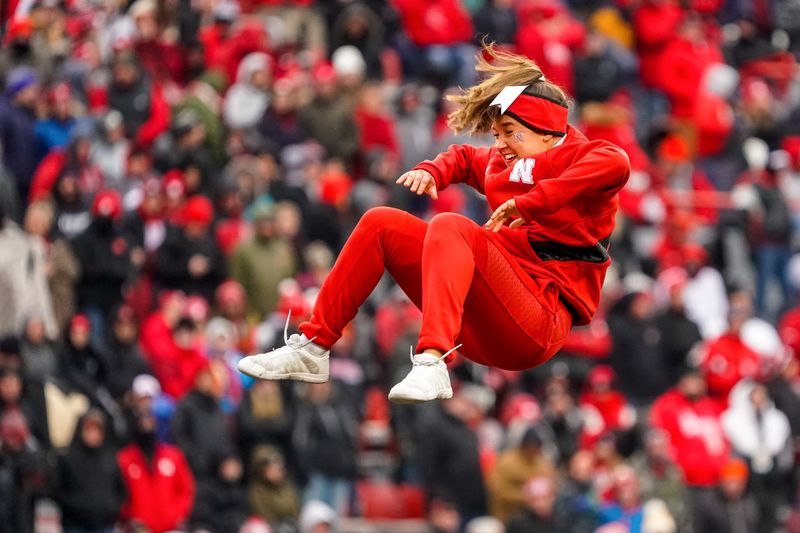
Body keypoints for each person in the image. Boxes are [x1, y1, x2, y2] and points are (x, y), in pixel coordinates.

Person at [239, 44, 631, 404]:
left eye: (511, 132)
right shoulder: (503, 161)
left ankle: (431, 363)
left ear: (549, 134)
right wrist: (433, 169)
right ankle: (314, 345)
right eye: (497, 134)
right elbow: (464, 156)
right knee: (381, 223)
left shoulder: (583, 155)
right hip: (483, 322)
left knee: (450, 225)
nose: (501, 144)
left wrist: (530, 204)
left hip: (537, 323)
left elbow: (617, 163)